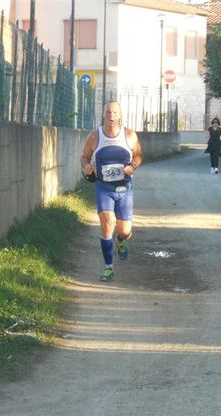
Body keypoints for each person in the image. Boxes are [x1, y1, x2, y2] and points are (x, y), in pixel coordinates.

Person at [81, 101, 143, 282]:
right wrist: (86, 166)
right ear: (103, 114)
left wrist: (132, 166)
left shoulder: (130, 136)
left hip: (124, 188)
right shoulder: (94, 137)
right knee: (107, 222)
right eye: (108, 112)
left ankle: (121, 241)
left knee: (124, 231)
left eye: (115, 112)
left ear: (120, 115)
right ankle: (108, 267)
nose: (111, 116)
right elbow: (84, 157)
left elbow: (138, 155)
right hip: (103, 187)